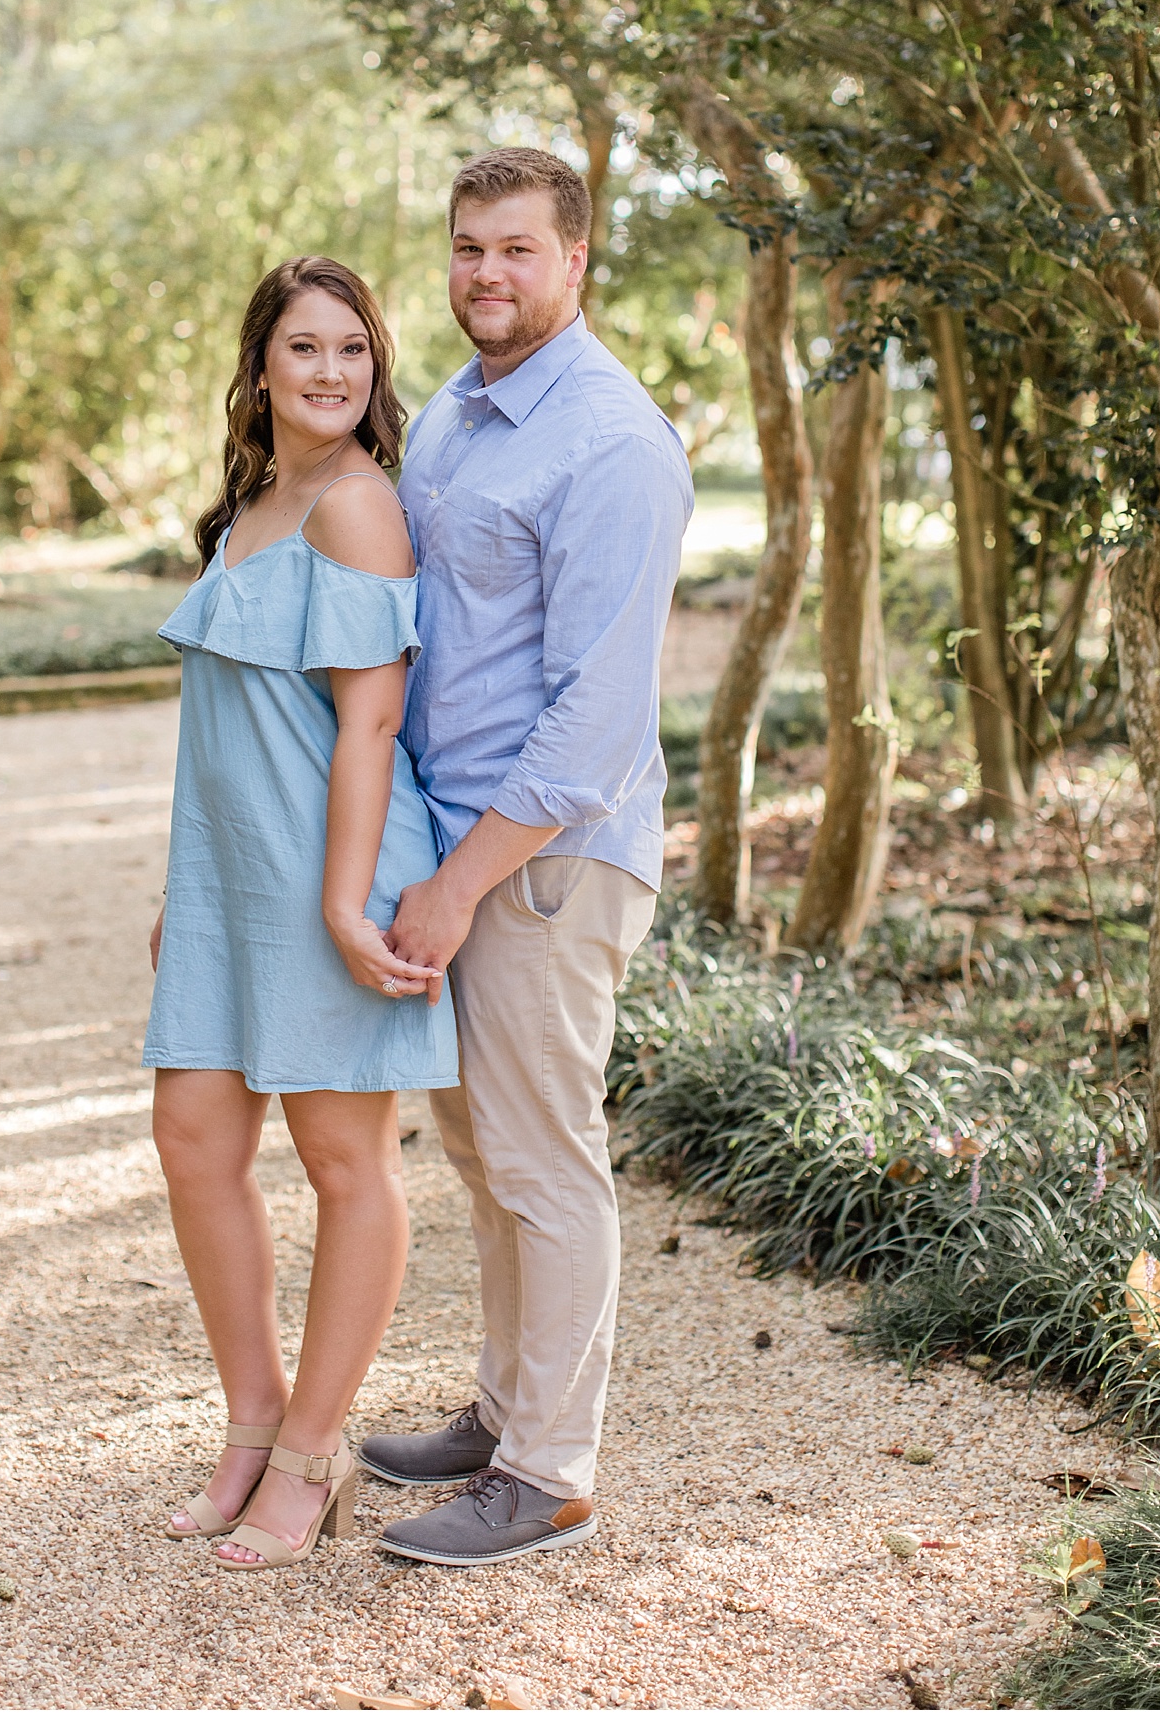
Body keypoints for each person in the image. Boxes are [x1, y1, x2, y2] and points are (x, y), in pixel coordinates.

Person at [358, 148, 693, 1565]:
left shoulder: (613, 443)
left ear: (574, 262)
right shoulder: (454, 412)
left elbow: (590, 729)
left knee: (544, 1155)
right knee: (481, 1143)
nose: (484, 273)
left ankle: (548, 1474)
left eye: (514, 250)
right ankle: (502, 1415)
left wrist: (456, 881)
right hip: (454, 835)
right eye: (465, 248)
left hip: (544, 858)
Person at [142, 256, 456, 1572]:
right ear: (260, 365)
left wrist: (344, 900)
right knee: (194, 1144)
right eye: (305, 347)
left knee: (343, 1165)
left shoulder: (357, 507)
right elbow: (220, 731)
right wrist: (181, 893)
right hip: (230, 881)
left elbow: (370, 720)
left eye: (353, 351)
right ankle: (253, 1421)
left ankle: (314, 1456)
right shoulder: (255, 505)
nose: (330, 371)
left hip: (336, 872)